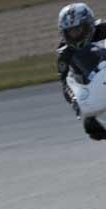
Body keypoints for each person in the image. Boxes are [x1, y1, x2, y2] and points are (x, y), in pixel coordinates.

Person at [57, 3, 106, 139]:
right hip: (97, 87)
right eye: (70, 32)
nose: (74, 36)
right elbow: (67, 84)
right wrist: (79, 108)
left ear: (89, 25)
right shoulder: (65, 53)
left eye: (78, 30)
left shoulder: (103, 28)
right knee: (94, 129)